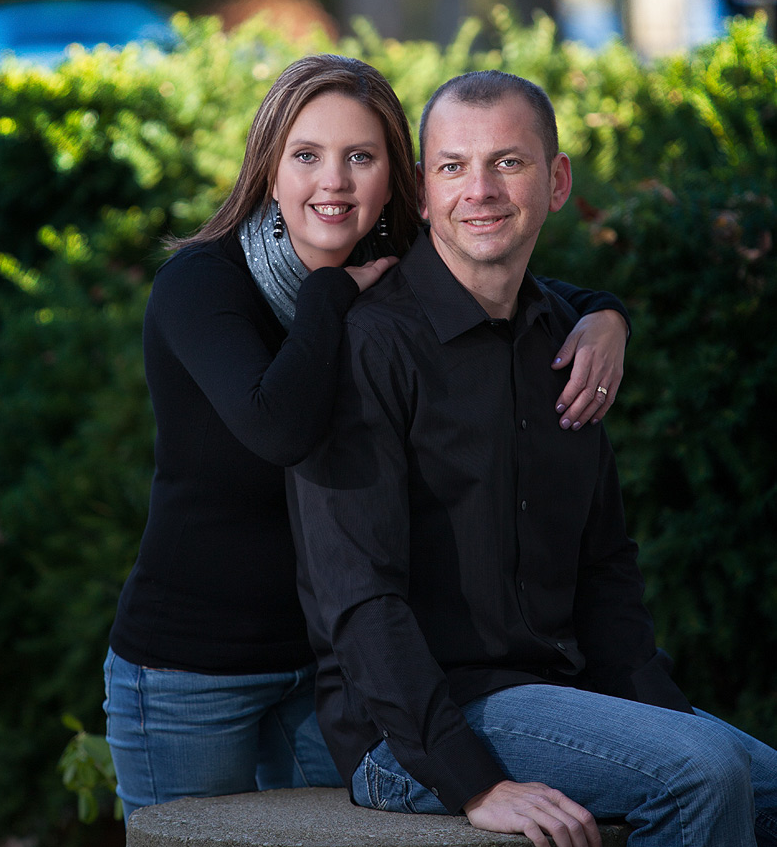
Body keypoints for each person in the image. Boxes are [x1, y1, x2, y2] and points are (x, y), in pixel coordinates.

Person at [104, 55, 632, 822]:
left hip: (332, 670)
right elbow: (278, 424)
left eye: (361, 157)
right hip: (193, 666)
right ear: (268, 170)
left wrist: (606, 314)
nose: (334, 182)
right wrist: (327, 293)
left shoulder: (390, 278)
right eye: (307, 156)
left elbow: (512, 285)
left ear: (399, 180)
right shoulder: (202, 286)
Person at [289, 69, 777, 847]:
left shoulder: (565, 338)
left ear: (555, 182)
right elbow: (358, 600)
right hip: (416, 730)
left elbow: (604, 562)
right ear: (421, 192)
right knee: (699, 774)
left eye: (507, 163)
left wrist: (657, 710)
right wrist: (473, 783)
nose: (478, 189)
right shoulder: (371, 346)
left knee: (766, 783)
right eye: (452, 167)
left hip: (557, 698)